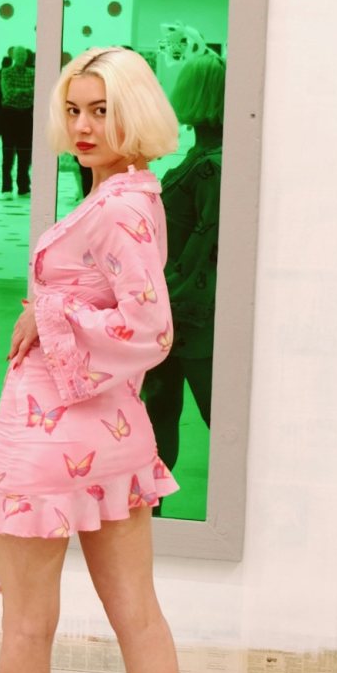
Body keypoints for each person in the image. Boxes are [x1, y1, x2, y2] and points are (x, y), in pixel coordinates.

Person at [0, 47, 184, 673]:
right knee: (140, 618)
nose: (86, 126)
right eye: (77, 109)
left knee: (28, 629)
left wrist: (44, 308)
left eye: (102, 110)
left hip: (53, 441)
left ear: (135, 113)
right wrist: (57, 305)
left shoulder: (117, 209)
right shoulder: (135, 198)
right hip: (112, 441)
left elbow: (151, 329)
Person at [142, 50, 223, 474]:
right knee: (156, 414)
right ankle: (144, 511)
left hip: (187, 315)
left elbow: (204, 250)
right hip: (176, 311)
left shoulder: (213, 165)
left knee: (214, 416)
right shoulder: (206, 157)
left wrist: (162, 302)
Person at [0, 46, 36, 197]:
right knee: (8, 153)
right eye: (18, 55)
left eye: (23, 55)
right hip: (9, 115)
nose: (21, 57)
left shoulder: (32, 73)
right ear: (14, 56)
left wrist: (19, 91)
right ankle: (6, 188)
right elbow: (8, 93)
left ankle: (24, 187)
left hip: (26, 116)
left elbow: (36, 92)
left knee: (25, 154)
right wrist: (26, 92)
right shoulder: (6, 72)